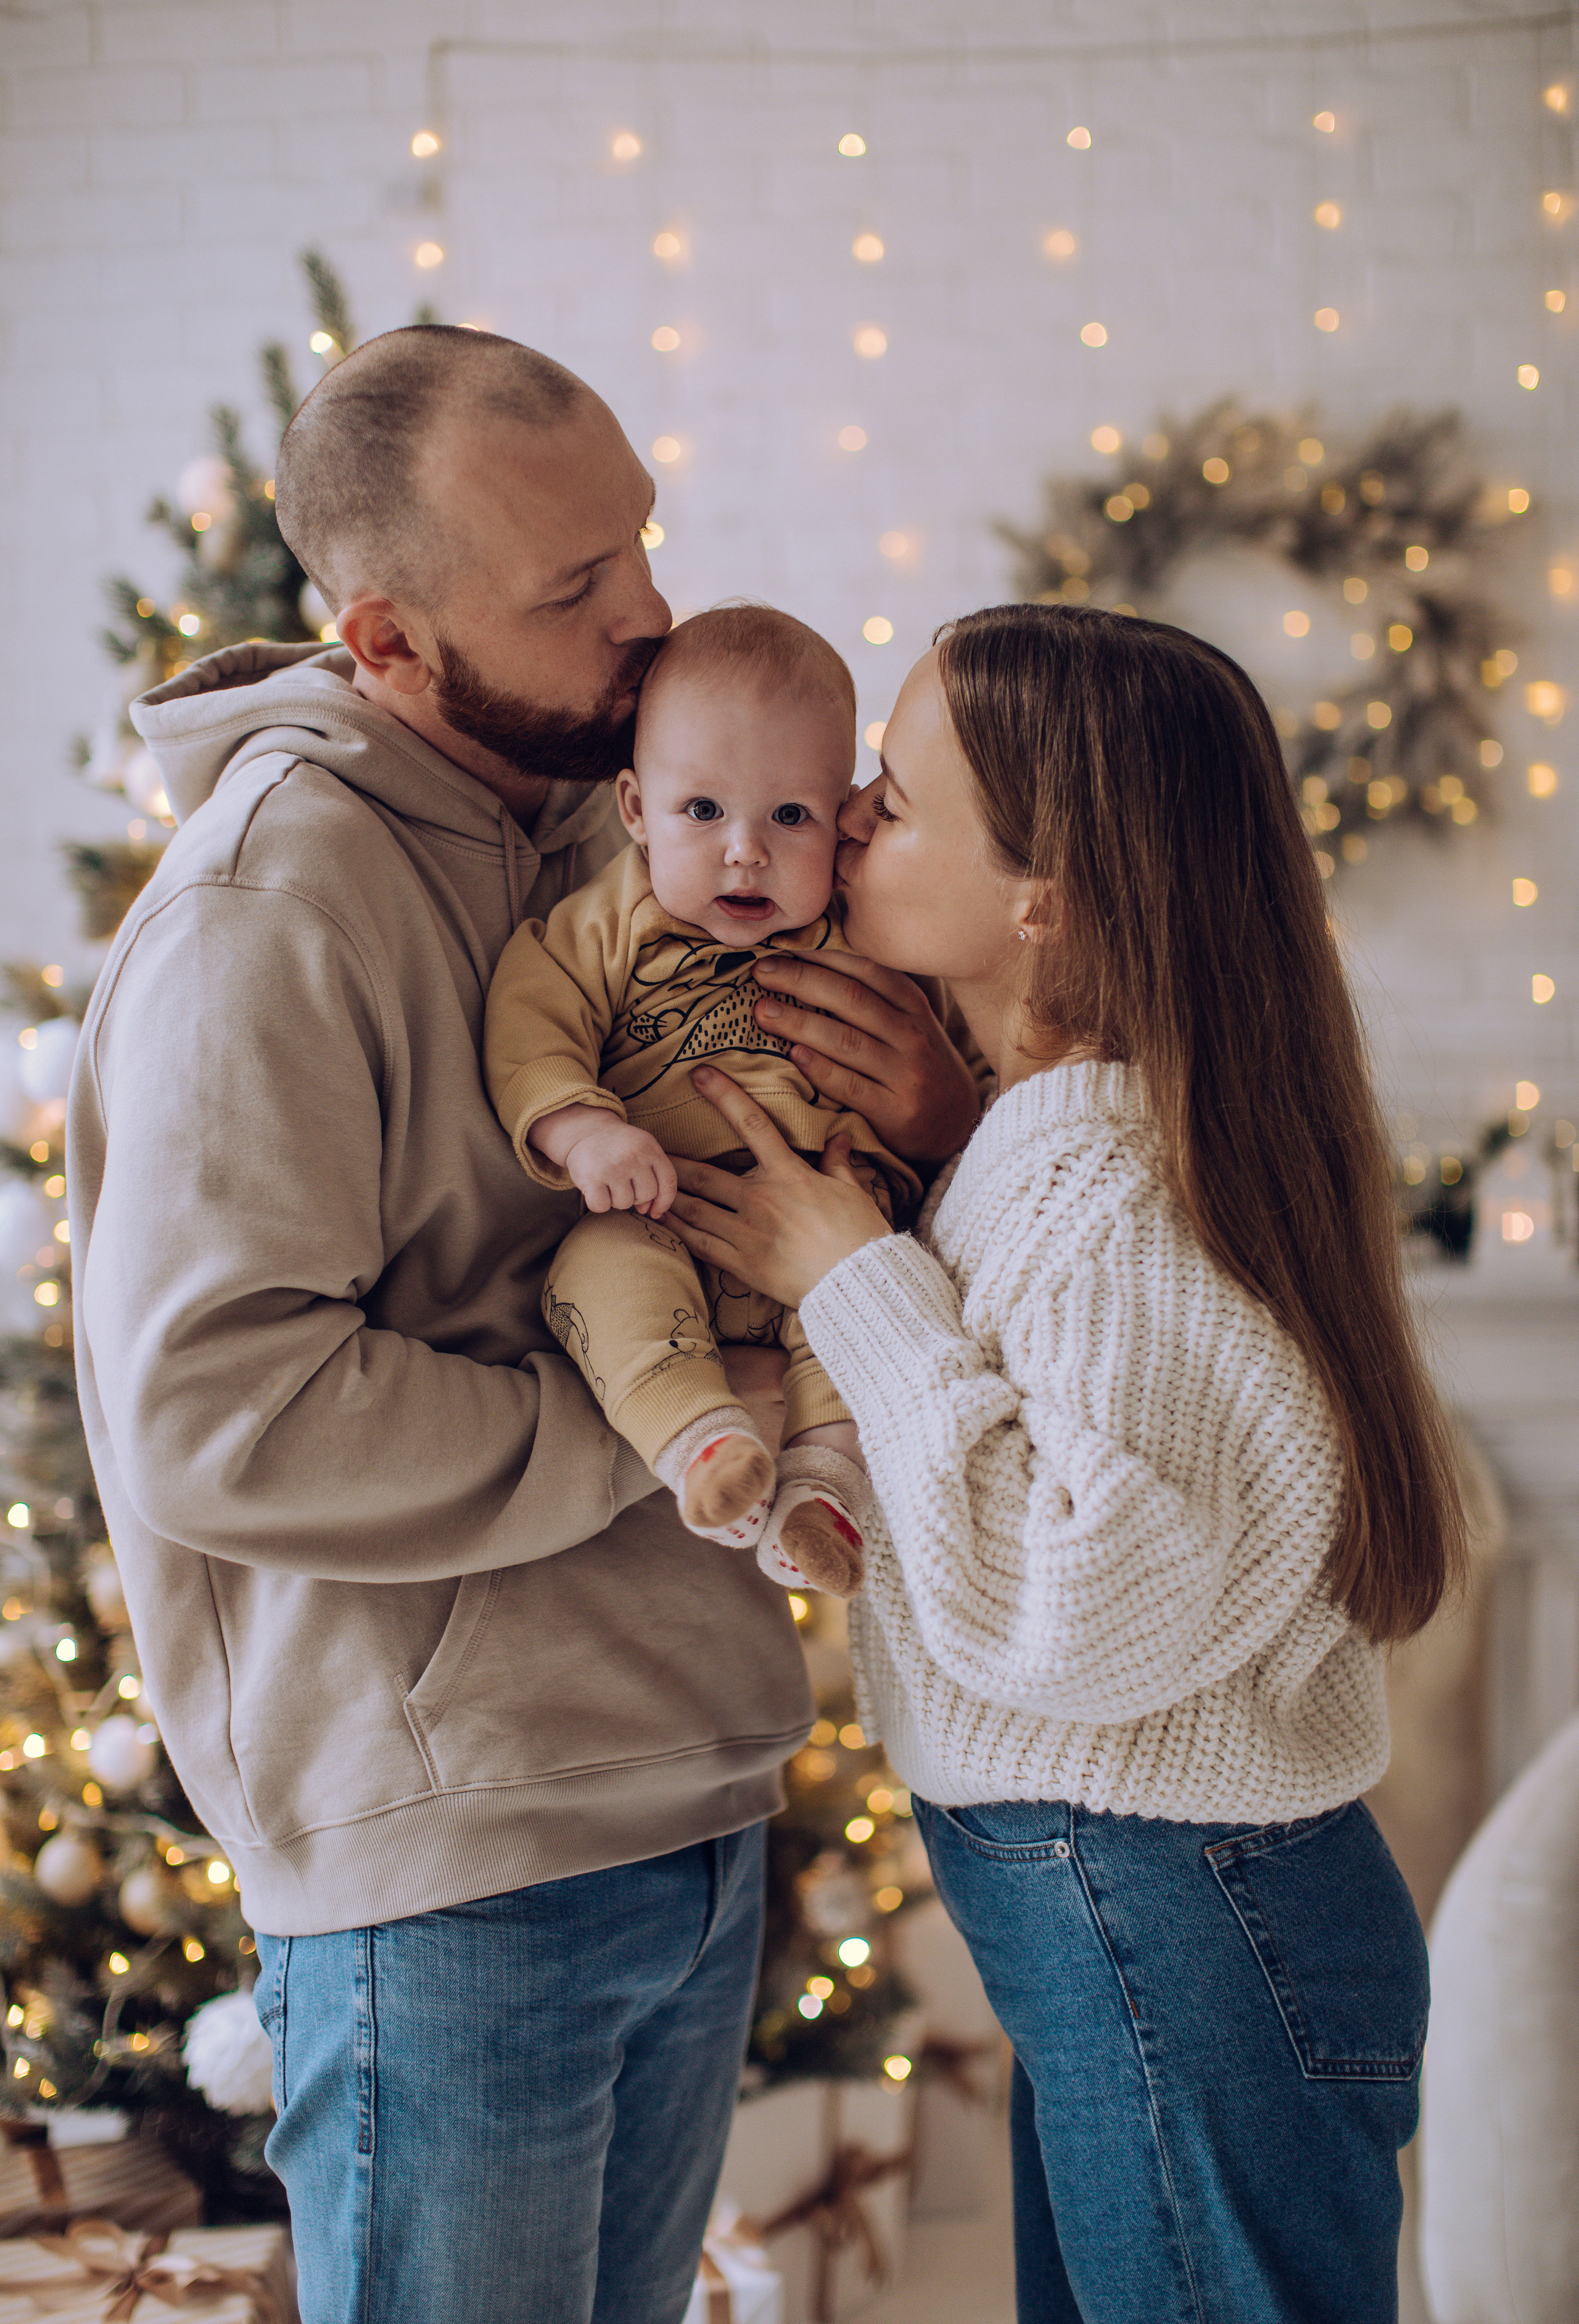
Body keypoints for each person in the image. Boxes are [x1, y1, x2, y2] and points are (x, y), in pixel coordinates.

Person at [65, 326, 980, 2324]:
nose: (650, 617)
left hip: (684, 1802)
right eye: (575, 591)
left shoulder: (617, 811)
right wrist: (675, 1423)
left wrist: (935, 1113)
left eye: (638, 545)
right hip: (454, 1873)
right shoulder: (268, 914)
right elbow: (219, 1415)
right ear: (388, 644)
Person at [661, 601, 1467, 2324]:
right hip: (1149, 1927)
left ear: (1048, 895)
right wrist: (954, 1140)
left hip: (1181, 1930)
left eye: (893, 794)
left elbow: (1088, 1599)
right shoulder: (1084, 1146)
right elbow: (1058, 1359)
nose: (849, 819)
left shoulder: (1111, 1198)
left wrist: (854, 1281)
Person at [485, 602, 925, 1598]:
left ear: (847, 816)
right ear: (636, 809)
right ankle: (701, 1444)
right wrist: (582, 1127)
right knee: (602, 1273)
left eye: (791, 816)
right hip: (662, 1212)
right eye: (704, 812)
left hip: (835, 1232)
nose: (746, 852)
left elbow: (944, 1060)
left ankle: (822, 1493)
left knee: (867, 1308)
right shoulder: (607, 922)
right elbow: (531, 1018)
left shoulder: (865, 933)